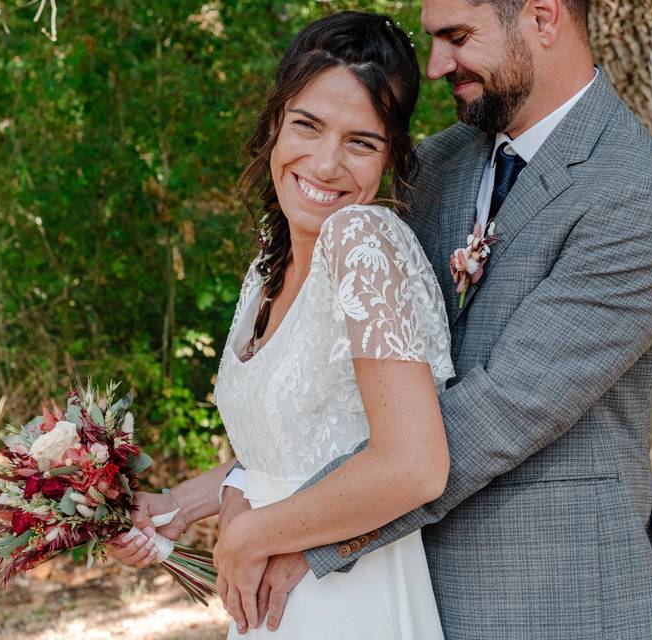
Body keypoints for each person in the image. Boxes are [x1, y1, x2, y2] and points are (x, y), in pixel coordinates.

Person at [121, 0, 652, 637]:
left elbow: (498, 414)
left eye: (456, 37)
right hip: (399, 593)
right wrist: (222, 490)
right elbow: (350, 401)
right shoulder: (437, 166)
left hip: (554, 602)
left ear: (542, 17)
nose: (434, 67)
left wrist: (292, 530)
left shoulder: (639, 197)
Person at [111, 11, 454, 639]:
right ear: (275, 123)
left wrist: (249, 533)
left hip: (353, 599)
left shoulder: (363, 240)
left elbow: (414, 465)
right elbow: (290, 454)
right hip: (272, 602)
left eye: (361, 142)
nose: (326, 164)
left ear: (391, 157)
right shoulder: (272, 257)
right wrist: (179, 506)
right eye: (307, 125)